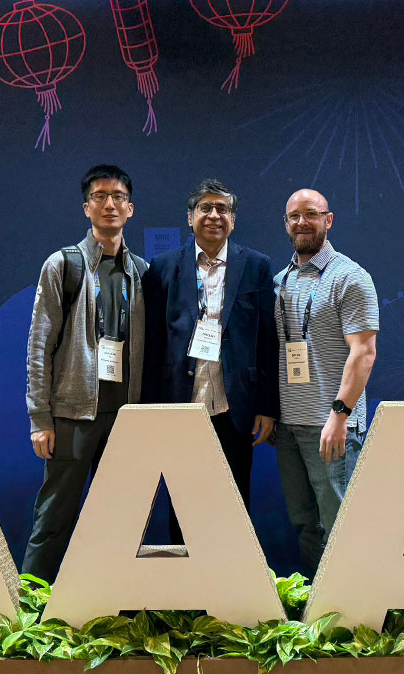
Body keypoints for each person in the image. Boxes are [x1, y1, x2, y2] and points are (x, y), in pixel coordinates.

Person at [23, 164, 148, 583]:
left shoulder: (143, 273)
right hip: (73, 415)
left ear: (130, 208)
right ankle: (29, 612)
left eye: (117, 197)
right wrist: (40, 419)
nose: (109, 204)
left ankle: (116, 611)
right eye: (99, 196)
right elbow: (39, 346)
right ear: (86, 207)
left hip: (126, 418)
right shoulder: (64, 265)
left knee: (121, 522)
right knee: (55, 516)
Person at [142, 178, 279, 539]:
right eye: (206, 208)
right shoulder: (162, 267)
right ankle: (186, 590)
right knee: (182, 504)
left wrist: (267, 406)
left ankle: (232, 588)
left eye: (223, 209)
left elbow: (268, 339)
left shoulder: (257, 266)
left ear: (233, 220)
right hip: (179, 403)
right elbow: (152, 343)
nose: (214, 215)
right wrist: (150, 409)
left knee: (233, 504)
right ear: (190, 218)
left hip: (236, 406)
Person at [274, 188, 378, 579]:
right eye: (294, 216)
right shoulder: (279, 281)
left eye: (311, 214)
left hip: (332, 427)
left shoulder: (350, 277)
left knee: (341, 528)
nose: (303, 222)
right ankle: (317, 613)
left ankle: (352, 616)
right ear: (286, 224)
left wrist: (339, 415)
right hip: (290, 428)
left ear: (328, 220)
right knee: (306, 526)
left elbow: (364, 353)